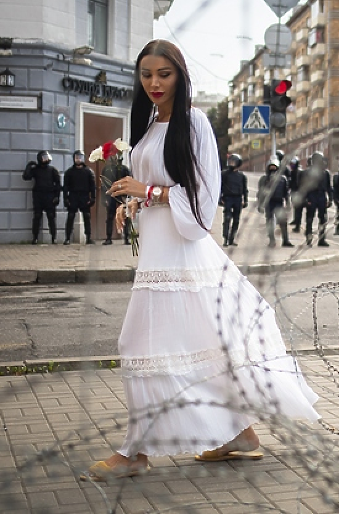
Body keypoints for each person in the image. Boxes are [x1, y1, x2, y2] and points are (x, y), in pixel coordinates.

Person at [81, 40, 318, 482]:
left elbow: (202, 202)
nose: (154, 82)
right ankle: (240, 436)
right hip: (160, 253)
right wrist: (133, 204)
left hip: (183, 257)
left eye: (164, 74)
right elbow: (159, 187)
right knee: (201, 349)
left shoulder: (194, 123)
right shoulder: (151, 124)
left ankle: (135, 452)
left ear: (180, 76)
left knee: (140, 346)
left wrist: (145, 193)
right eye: (147, 74)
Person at [23, 150, 62, 244]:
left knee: (51, 217)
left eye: (47, 157)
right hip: (38, 197)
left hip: (50, 196)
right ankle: (35, 237)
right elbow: (26, 177)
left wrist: (57, 196)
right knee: (37, 217)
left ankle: (54, 238)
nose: (46, 159)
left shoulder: (52, 170)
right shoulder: (36, 170)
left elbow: (58, 185)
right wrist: (28, 167)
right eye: (44, 158)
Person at [62, 149, 97, 245]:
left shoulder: (89, 172)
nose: (78, 159)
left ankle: (88, 237)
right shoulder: (69, 172)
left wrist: (93, 198)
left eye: (80, 158)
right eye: (76, 158)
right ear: (73, 159)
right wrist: (65, 198)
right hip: (73, 196)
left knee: (87, 216)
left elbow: (92, 186)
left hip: (84, 196)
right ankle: (67, 238)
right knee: (71, 216)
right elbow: (65, 187)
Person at [258, 156, 293, 248]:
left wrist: (288, 203)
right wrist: (260, 204)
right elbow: (260, 193)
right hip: (268, 203)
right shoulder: (264, 179)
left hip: (279, 202)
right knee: (269, 222)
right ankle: (272, 240)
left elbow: (286, 193)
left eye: (274, 167)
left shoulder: (283, 179)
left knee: (283, 221)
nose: (273, 170)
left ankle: (285, 240)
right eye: (271, 168)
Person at [301, 151, 333, 246]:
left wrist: (330, 198)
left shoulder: (325, 173)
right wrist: (305, 200)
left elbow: (329, 187)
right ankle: (309, 238)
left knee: (323, 219)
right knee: (310, 218)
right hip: (311, 196)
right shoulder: (307, 172)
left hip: (321, 196)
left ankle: (322, 239)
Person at [101, 153, 132, 245]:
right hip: (111, 196)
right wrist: (104, 198)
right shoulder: (106, 169)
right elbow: (103, 185)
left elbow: (129, 182)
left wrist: (127, 195)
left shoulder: (124, 169)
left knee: (126, 216)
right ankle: (109, 238)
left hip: (122, 195)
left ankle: (127, 237)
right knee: (110, 217)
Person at [220, 153, 248, 247]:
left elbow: (245, 189)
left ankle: (232, 238)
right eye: (230, 162)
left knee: (236, 220)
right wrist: (220, 198)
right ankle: (225, 238)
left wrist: (246, 200)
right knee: (227, 218)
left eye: (234, 162)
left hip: (238, 199)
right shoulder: (224, 174)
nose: (232, 164)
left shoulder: (242, 176)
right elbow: (220, 187)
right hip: (228, 198)